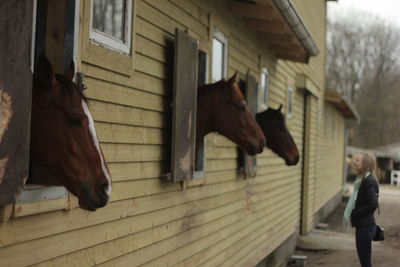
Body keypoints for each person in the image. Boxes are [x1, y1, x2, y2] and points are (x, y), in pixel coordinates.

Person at [343, 152, 379, 267]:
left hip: (365, 227)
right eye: (355, 159)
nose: (354, 161)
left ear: (365, 164)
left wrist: (356, 213)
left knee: (366, 263)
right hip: (364, 226)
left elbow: (373, 204)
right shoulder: (362, 180)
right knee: (365, 262)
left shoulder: (368, 181)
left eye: (357, 160)